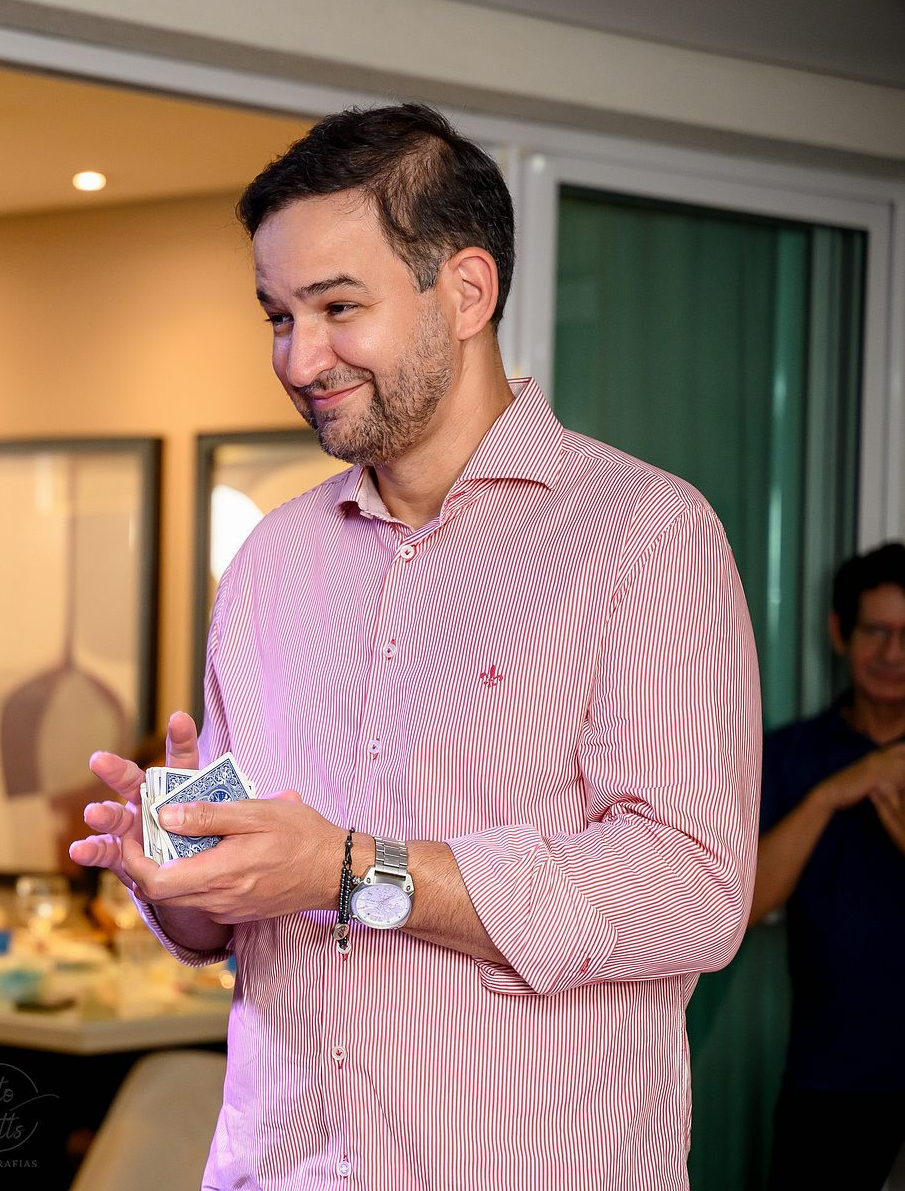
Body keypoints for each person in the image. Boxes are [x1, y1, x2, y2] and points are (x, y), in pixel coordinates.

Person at [71, 103, 761, 1189]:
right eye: (277, 316)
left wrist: (354, 871)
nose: (300, 358)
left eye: (338, 307)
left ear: (467, 292)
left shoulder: (644, 534)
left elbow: (693, 889)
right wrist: (184, 883)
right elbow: (244, 918)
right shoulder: (271, 560)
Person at [750, 542, 905, 1188]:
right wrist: (834, 792)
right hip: (832, 1075)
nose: (893, 654)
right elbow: (742, 906)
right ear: (840, 632)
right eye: (876, 631)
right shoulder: (792, 755)